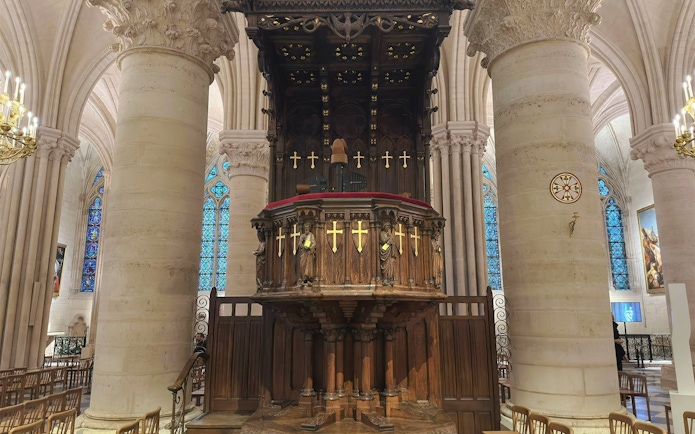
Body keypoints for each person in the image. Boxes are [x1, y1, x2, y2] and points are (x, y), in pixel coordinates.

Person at [298, 222, 316, 286]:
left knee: (309, 265)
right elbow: (299, 243)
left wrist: (310, 248)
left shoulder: (311, 235)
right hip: (304, 252)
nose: (306, 230)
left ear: (309, 229)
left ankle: (308, 279)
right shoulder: (302, 236)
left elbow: (314, 243)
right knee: (302, 264)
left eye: (307, 228)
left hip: (309, 253)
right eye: (305, 229)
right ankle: (304, 278)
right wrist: (303, 246)